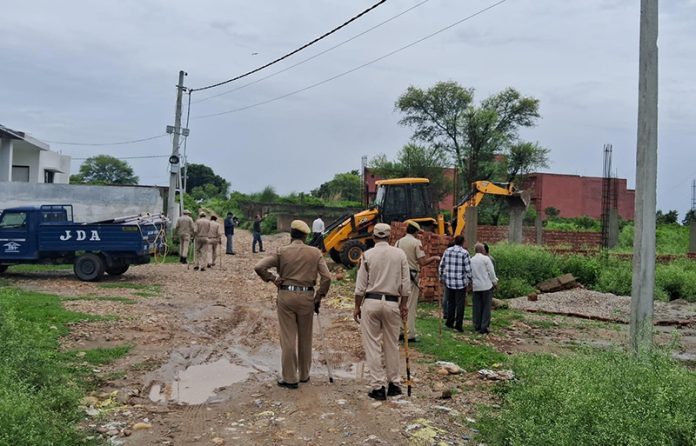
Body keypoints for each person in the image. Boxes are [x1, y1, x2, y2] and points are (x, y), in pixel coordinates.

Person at [254, 220, 332, 389]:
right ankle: (304, 374)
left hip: (286, 295)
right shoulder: (315, 252)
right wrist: (319, 296)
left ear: (291, 234)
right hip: (307, 297)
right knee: (305, 337)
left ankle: (290, 378)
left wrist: (273, 278)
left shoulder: (282, 252)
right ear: (306, 236)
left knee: (288, 337)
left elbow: (259, 266)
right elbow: (327, 277)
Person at [354, 223, 410, 401]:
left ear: (373, 236)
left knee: (372, 346)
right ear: (390, 236)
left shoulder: (367, 255)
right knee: (391, 344)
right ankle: (394, 384)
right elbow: (406, 284)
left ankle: (378, 387)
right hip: (392, 303)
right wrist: (404, 304)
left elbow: (360, 287)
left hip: (371, 302)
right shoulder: (399, 254)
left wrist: (357, 307)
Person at [395, 220, 440, 342]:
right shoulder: (416, 243)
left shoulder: (398, 242)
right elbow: (422, 262)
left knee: (400, 303)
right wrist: (434, 258)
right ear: (415, 231)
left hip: (399, 276)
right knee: (410, 305)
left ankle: (399, 331)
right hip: (412, 277)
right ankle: (409, 334)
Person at [438, 235, 472, 332]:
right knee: (460, 304)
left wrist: (441, 277)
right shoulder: (465, 253)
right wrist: (469, 281)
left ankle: (449, 322)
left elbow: (441, 265)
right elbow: (468, 269)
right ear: (463, 242)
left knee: (451, 302)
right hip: (460, 282)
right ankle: (458, 325)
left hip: (449, 281)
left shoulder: (447, 251)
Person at [470, 242, 498, 334]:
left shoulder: (471, 260)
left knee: (477, 306)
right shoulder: (486, 259)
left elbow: (469, 273)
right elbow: (491, 272)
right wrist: (495, 282)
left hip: (476, 286)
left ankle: (477, 325)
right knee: (486, 307)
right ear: (483, 250)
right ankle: (484, 327)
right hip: (486, 286)